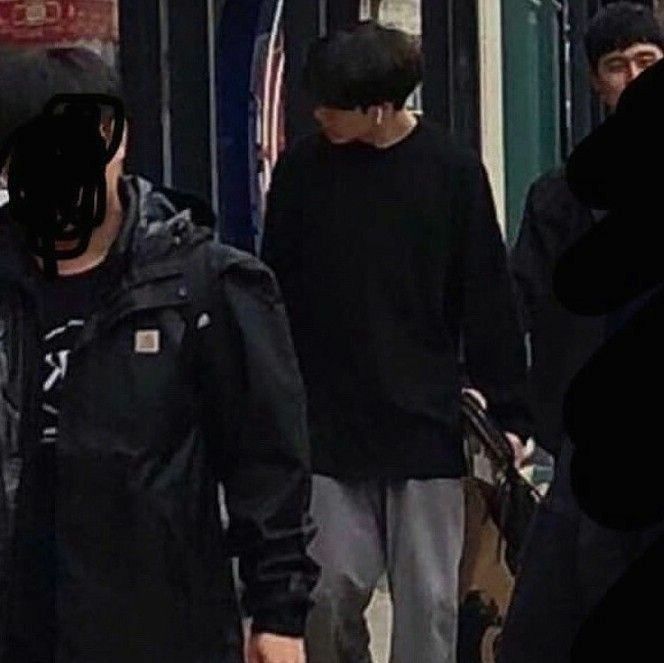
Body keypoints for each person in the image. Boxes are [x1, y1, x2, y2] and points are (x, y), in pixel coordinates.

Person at [0, 47, 318, 663]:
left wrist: (279, 611)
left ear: (116, 141)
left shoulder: (202, 286)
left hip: (157, 617)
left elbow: (266, 458)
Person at [260, 21, 531, 663]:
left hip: (424, 419)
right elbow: (273, 290)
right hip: (327, 419)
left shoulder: (451, 172)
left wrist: (511, 412)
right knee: (327, 590)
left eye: (334, 105)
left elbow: (486, 295)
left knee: (430, 604)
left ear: (379, 108)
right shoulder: (301, 173)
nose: (319, 114)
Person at [500, 4, 664, 661]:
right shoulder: (559, 198)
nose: (634, 78)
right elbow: (519, 304)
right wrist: (513, 410)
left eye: (648, 62)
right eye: (617, 66)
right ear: (597, 83)